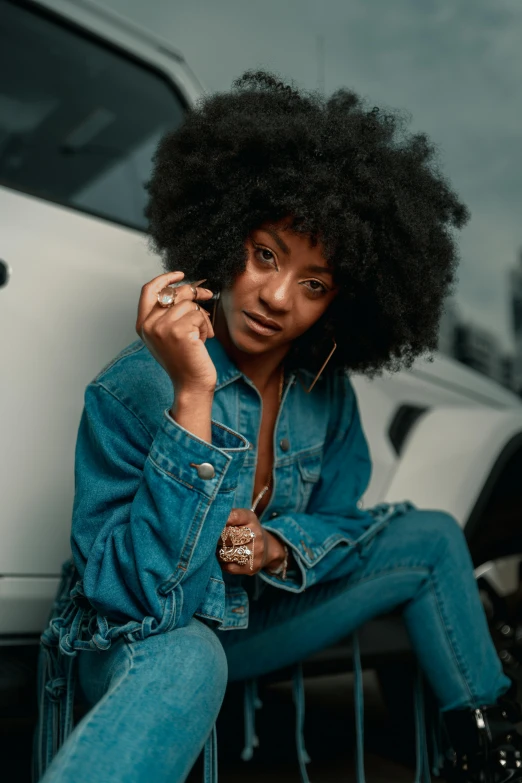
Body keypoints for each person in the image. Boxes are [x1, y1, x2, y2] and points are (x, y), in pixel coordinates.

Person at [34, 69, 522, 783]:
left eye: (315, 283)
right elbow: (134, 600)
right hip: (137, 632)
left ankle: (490, 753)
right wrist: (193, 396)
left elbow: (342, 522)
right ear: (225, 235)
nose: (276, 297)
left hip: (252, 619)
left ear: (342, 302)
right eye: (265, 254)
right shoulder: (134, 383)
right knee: (191, 651)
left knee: (433, 537)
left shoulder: (324, 393)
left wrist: (274, 547)